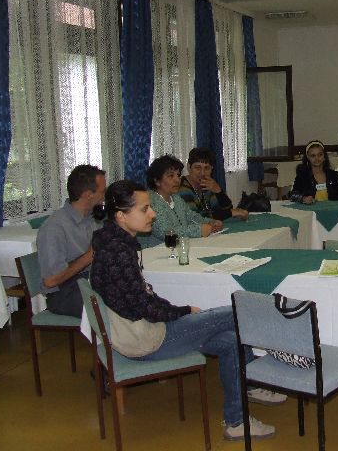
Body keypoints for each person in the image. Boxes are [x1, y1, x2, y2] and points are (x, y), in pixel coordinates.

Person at [90, 180, 285, 440]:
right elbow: (143, 306)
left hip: (139, 331)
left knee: (230, 340)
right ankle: (273, 370)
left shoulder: (110, 242)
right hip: (145, 340)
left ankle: (237, 419)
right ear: (121, 216)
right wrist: (182, 311)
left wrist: (178, 311)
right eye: (145, 209)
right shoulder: (118, 252)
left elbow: (142, 298)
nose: (153, 214)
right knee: (238, 312)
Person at [36, 165, 106, 318]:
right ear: (88, 195)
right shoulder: (54, 227)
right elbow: (50, 281)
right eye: (102, 192)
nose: (104, 197)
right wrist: (89, 256)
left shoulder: (92, 218)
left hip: (91, 279)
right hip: (64, 293)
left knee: (135, 290)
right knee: (116, 303)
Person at [147, 155, 223, 240]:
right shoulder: (150, 201)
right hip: (157, 247)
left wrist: (211, 222)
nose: (177, 180)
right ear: (157, 181)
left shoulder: (176, 198)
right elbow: (165, 232)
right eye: (171, 176)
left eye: (178, 175)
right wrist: (199, 230)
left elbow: (191, 217)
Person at [178, 147, 249, 221]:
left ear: (212, 169)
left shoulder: (207, 184)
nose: (202, 173)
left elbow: (226, 209)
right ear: (189, 167)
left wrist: (218, 191)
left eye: (206, 168)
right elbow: (194, 218)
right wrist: (231, 213)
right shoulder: (182, 188)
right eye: (198, 168)